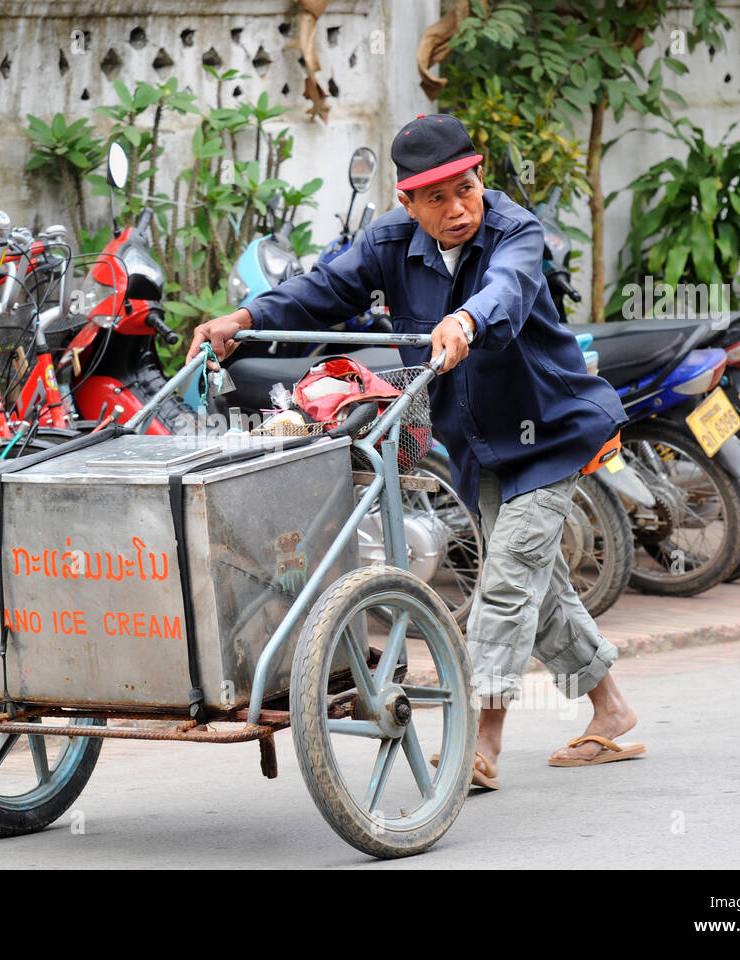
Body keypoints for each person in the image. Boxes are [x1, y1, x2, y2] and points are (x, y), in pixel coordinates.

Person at [187, 114, 646, 789]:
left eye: (466, 189)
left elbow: (510, 289)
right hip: (479, 441)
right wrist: (245, 320)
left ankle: (479, 745)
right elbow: (325, 290)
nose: (458, 208)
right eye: (437, 197)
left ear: (479, 175)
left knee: (507, 581)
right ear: (407, 202)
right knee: (535, 583)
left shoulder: (512, 231)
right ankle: (611, 710)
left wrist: (466, 320)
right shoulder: (389, 243)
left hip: (550, 432)